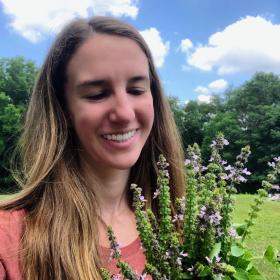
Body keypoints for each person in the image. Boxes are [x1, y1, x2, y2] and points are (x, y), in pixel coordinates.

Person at [0, 16, 185, 280]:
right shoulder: (9, 240)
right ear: (64, 109)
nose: (123, 113)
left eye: (136, 89)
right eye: (97, 94)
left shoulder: (184, 226)